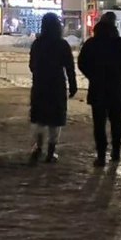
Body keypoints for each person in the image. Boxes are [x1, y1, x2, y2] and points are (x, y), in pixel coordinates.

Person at [78, 11, 121, 167]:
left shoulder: (91, 43)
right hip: (115, 88)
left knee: (99, 124)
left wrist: (92, 75)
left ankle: (101, 156)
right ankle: (116, 153)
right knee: (116, 122)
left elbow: (82, 63)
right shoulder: (120, 43)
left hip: (97, 89)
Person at [28, 13, 77, 164]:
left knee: (39, 119)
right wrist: (73, 85)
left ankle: (38, 148)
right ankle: (51, 152)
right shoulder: (62, 45)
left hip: (40, 85)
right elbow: (69, 67)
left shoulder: (37, 44)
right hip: (57, 86)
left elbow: (31, 65)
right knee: (55, 120)